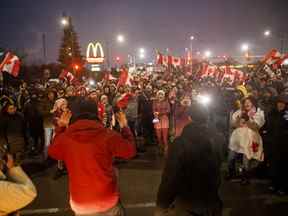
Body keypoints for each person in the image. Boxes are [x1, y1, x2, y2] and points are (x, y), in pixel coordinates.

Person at [48, 98, 136, 216]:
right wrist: (125, 126)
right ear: (96, 114)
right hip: (107, 199)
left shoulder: (65, 138)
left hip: (81, 202)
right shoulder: (108, 135)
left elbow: (53, 152)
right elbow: (130, 151)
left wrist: (61, 127)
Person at [155, 103, 222, 216]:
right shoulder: (218, 138)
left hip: (188, 203)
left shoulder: (180, 143)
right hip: (211, 200)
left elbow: (170, 177)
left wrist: (162, 205)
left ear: (189, 118)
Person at [228, 96, 265, 184]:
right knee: (231, 158)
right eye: (245, 102)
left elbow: (256, 126)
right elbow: (233, 125)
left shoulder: (258, 113)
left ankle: (245, 177)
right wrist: (238, 120)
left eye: (249, 102)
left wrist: (248, 120)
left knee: (247, 159)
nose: (247, 103)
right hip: (238, 139)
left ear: (253, 103)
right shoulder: (239, 112)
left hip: (250, 139)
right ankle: (232, 173)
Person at [264, 94, 288, 195]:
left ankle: (283, 187)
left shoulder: (286, 114)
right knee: (273, 166)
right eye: (279, 102)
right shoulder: (271, 114)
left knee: (284, 167)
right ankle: (274, 184)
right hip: (272, 144)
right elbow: (267, 127)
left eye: (283, 103)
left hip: (284, 145)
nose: (281, 105)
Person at [153, 90, 171, 155]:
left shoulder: (166, 102)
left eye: (161, 94)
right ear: (157, 95)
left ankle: (166, 148)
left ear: (163, 95)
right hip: (157, 119)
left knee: (165, 136)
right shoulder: (155, 101)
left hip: (164, 119)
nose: (160, 96)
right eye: (159, 94)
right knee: (158, 136)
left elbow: (168, 110)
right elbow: (153, 109)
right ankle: (160, 146)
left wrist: (161, 113)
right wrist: (156, 114)